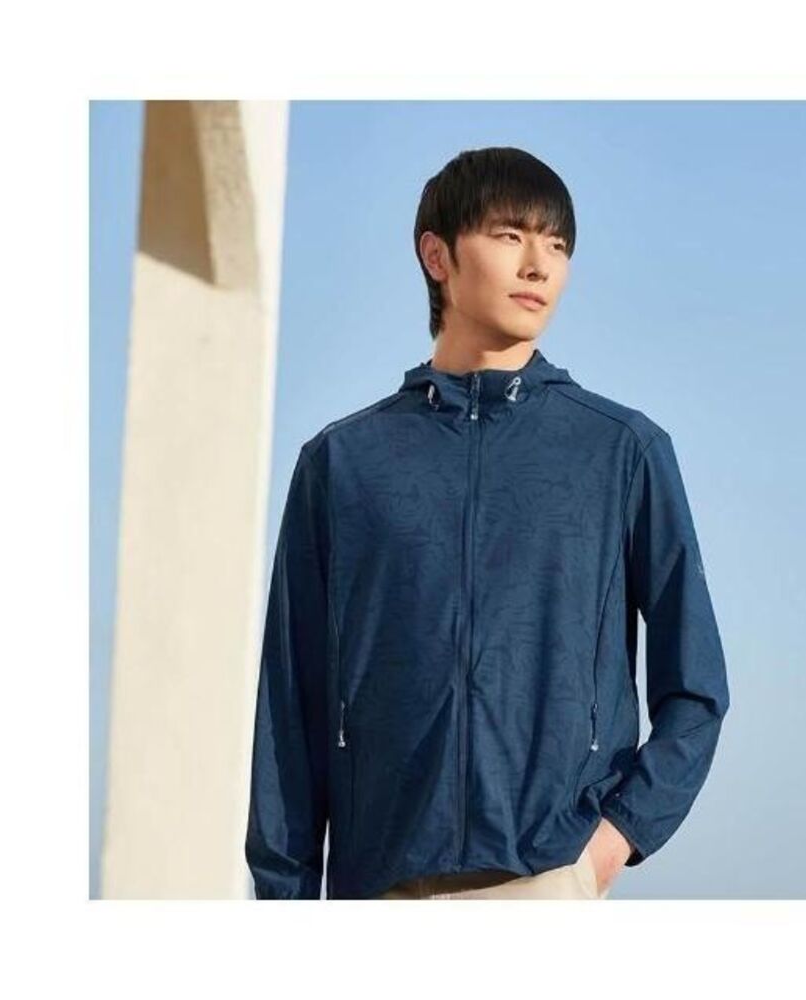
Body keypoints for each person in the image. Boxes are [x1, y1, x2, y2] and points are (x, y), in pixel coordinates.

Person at [245, 146, 731, 900]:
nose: (538, 265)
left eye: (557, 245)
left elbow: (695, 688)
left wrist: (608, 846)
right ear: (437, 255)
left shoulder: (621, 452)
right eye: (510, 236)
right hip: (379, 887)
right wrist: (285, 901)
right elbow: (291, 704)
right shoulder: (343, 463)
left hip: (548, 876)